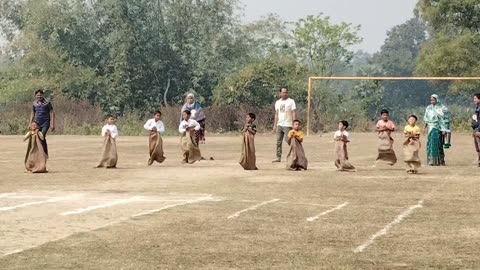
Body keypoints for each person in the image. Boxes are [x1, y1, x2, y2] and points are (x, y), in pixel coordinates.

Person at [424, 94, 450, 166]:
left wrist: (445, 129)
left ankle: (440, 160)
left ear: (437, 99)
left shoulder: (443, 108)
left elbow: (446, 120)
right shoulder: (429, 108)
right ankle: (431, 161)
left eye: (433, 100)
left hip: (439, 128)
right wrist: (425, 127)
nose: (432, 101)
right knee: (430, 144)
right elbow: (426, 118)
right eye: (431, 100)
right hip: (430, 127)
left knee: (438, 144)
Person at [273, 87, 296, 163]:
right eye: (283, 92)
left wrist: (294, 123)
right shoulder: (277, 102)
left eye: (286, 92)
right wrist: (275, 125)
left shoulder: (291, 101)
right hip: (280, 124)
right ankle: (278, 157)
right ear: (280, 93)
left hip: (288, 124)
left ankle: (295, 153)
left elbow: (293, 112)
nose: (285, 94)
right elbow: (276, 114)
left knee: (288, 140)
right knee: (278, 141)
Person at [29, 89, 55, 157]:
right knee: (37, 137)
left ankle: (44, 153)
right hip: (37, 123)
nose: (39, 96)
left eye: (40, 95)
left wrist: (52, 123)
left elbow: (52, 112)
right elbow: (32, 113)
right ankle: (40, 153)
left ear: (43, 95)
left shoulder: (47, 103)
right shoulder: (34, 104)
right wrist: (30, 123)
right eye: (38, 95)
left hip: (45, 123)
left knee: (42, 136)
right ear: (35, 96)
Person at [471, 93, 480, 166]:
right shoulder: (477, 107)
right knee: (477, 147)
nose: (474, 100)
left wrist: (479, 130)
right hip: (476, 129)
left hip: (478, 130)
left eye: (475, 98)